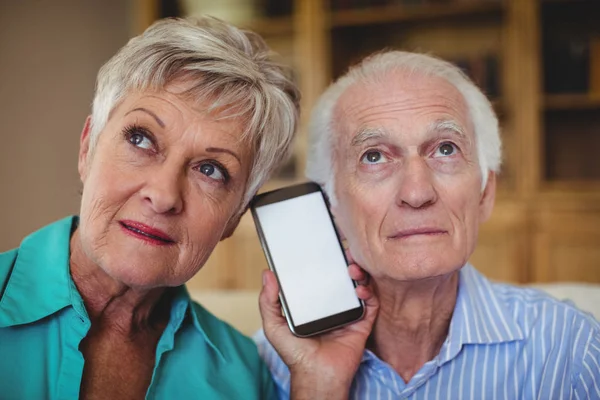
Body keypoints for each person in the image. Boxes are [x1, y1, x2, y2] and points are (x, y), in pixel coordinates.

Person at [256, 51, 600, 399]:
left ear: (485, 193)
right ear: (332, 207)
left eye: (446, 150)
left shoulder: (571, 349)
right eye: (373, 156)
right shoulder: (270, 362)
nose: (417, 193)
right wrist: (319, 385)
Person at [0, 16, 299, 399]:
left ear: (235, 216)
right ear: (87, 148)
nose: (163, 196)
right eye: (141, 140)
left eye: (211, 170)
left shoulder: (244, 375)